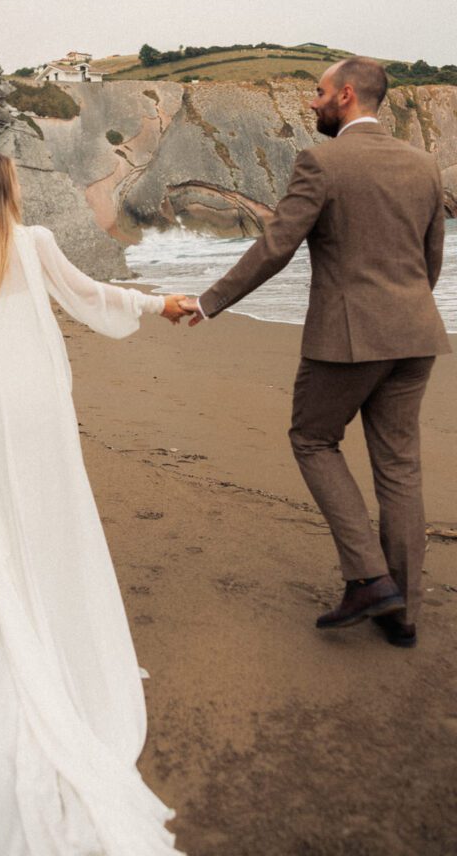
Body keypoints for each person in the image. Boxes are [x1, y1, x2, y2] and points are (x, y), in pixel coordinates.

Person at [0, 149, 187, 856]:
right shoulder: (31, 243)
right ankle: (64, 637)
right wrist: (157, 303)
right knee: (54, 517)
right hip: (37, 409)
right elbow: (88, 295)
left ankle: (17, 620)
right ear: (4, 189)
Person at [181, 57, 449, 648]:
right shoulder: (425, 165)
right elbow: (431, 258)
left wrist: (208, 301)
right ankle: (402, 615)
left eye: (319, 92)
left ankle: (370, 579)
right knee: (400, 467)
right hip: (417, 334)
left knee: (312, 439)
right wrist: (405, 313)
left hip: (347, 339)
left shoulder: (321, 162)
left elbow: (275, 247)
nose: (312, 101)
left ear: (346, 95)